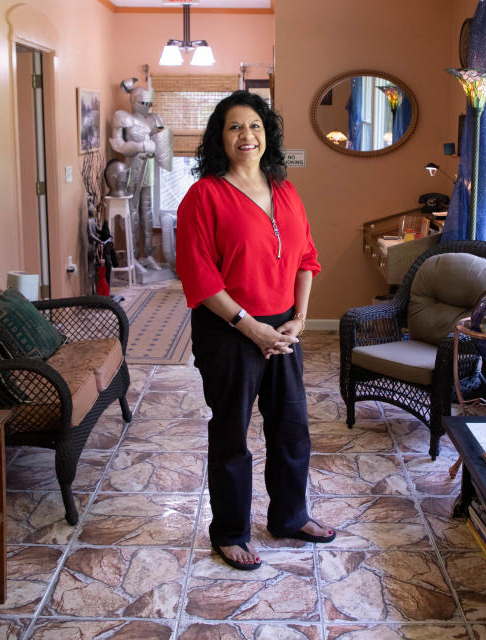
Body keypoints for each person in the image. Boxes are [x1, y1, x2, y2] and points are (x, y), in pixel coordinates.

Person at [175, 90, 335, 571]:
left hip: (284, 329)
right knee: (231, 434)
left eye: (255, 127)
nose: (246, 136)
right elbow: (200, 280)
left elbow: (306, 258)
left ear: (268, 136)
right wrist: (254, 330)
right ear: (219, 138)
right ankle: (229, 531)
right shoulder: (204, 196)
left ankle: (289, 516)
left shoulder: (285, 190)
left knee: (291, 428)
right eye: (235, 127)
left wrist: (299, 320)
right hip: (228, 332)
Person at [108, 81, 172, 274]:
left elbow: (162, 144)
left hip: (149, 167)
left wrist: (156, 147)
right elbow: (117, 144)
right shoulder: (122, 117)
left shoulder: (153, 119)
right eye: (142, 102)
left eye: (148, 103)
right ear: (134, 101)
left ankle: (148, 254)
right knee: (132, 210)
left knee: (148, 210)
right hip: (131, 168)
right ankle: (131, 256)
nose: (146, 107)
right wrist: (139, 146)